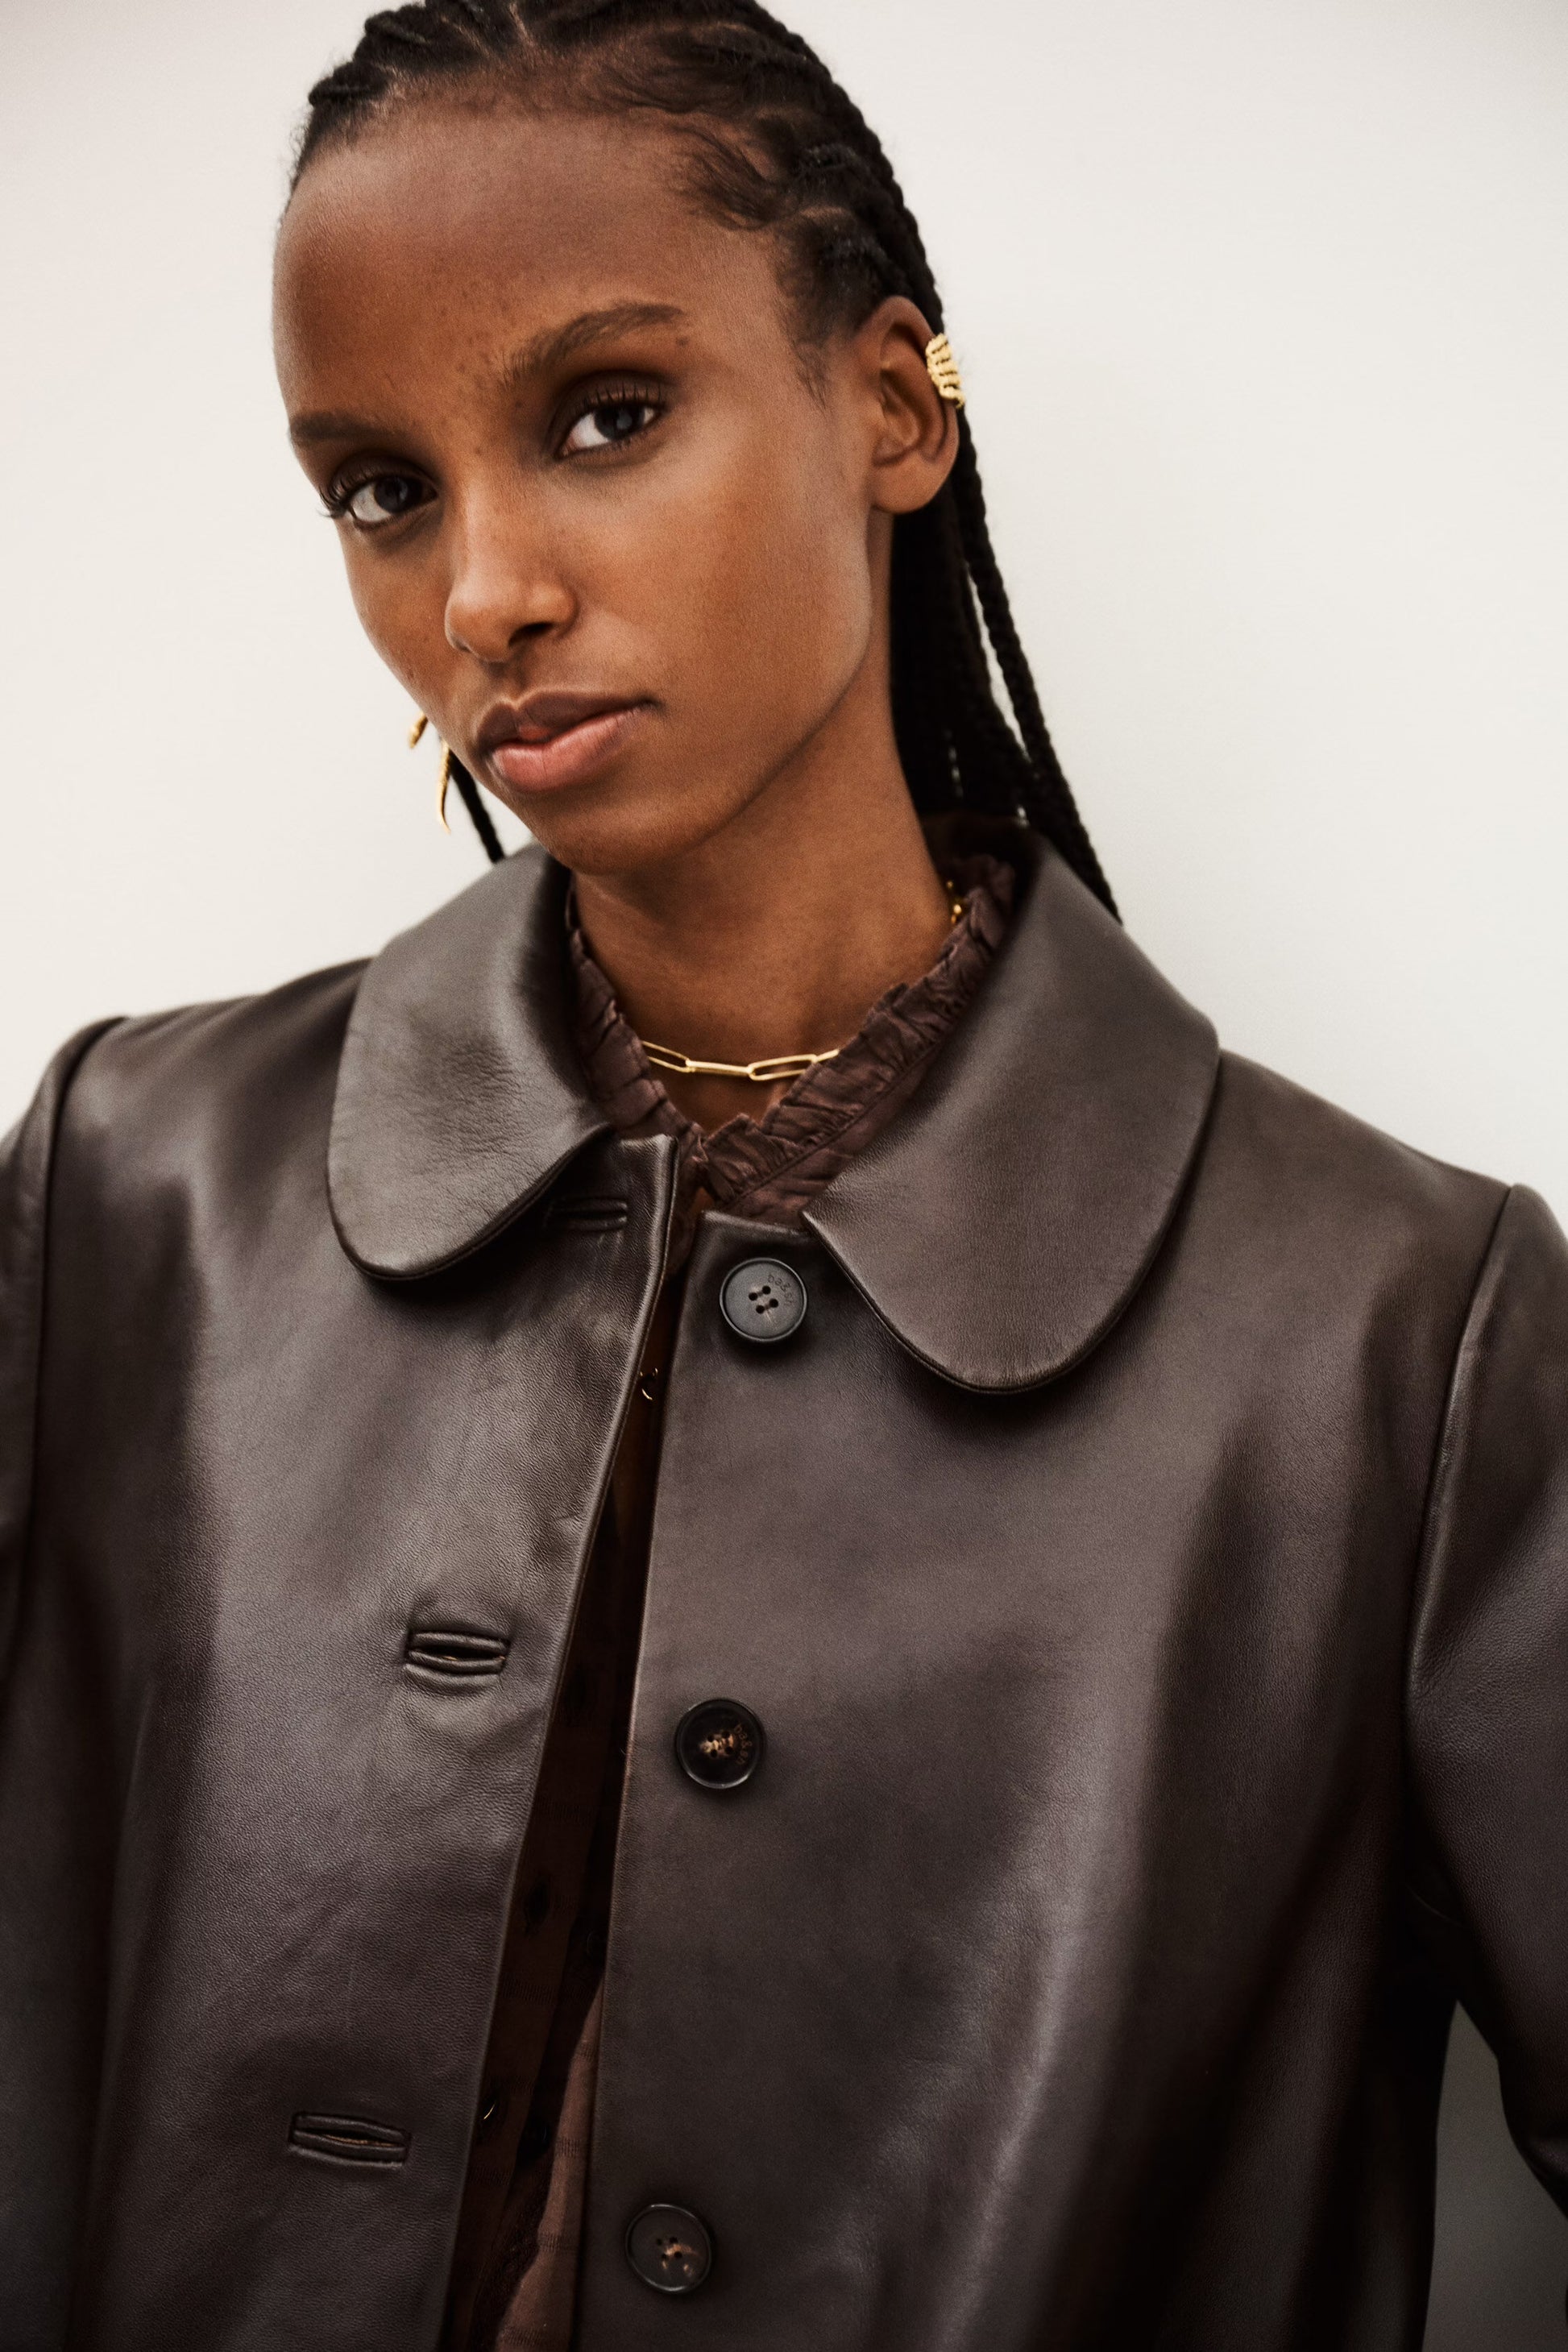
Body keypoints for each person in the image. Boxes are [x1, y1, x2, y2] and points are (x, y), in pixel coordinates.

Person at [2, 2, 1565, 2346]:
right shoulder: (137, 1191)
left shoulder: (1392, 1337)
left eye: (605, 416)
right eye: (379, 485)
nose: (482, 594)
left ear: (893, 406)